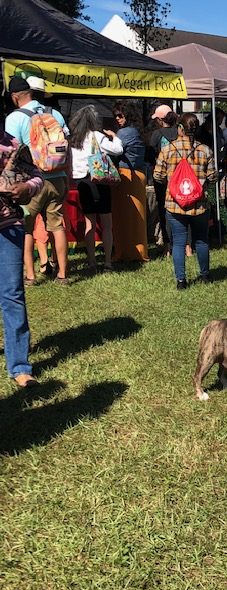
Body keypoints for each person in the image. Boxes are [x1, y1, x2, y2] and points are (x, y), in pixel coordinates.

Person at [5, 76, 70, 284]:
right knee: (57, 225)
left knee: (26, 227)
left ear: (15, 97)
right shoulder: (55, 114)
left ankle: (31, 275)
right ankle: (62, 274)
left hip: (31, 181)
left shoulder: (15, 118)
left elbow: (10, 153)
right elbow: (66, 143)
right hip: (58, 176)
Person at [153, 113, 217, 289]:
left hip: (174, 204)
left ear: (180, 128)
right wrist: (202, 185)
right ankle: (205, 275)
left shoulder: (168, 149)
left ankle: (181, 281)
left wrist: (171, 182)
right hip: (199, 204)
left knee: (179, 242)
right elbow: (213, 177)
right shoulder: (205, 150)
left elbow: (157, 175)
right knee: (201, 240)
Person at [0, 129, 43, 386]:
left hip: (9, 225)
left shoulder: (12, 143)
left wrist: (27, 187)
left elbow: (38, 177)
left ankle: (19, 366)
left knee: (12, 294)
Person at [69, 105, 123, 274]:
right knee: (107, 223)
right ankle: (107, 262)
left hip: (81, 182)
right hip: (99, 181)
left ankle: (91, 262)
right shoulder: (97, 136)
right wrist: (115, 137)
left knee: (89, 223)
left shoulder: (73, 139)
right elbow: (118, 150)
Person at [110, 101, 148, 262]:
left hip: (127, 176)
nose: (118, 119)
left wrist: (112, 137)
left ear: (128, 116)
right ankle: (139, 251)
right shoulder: (137, 131)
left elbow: (115, 151)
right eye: (116, 116)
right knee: (138, 217)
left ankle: (125, 252)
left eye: (120, 115)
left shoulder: (124, 133)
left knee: (124, 217)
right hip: (139, 174)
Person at [150, 105, 179, 254]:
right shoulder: (181, 132)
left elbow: (149, 155)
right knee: (182, 208)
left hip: (162, 177)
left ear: (161, 120)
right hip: (180, 176)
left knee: (164, 209)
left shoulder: (157, 134)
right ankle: (185, 246)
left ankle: (168, 246)